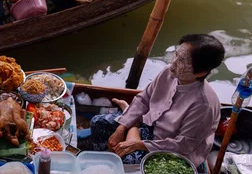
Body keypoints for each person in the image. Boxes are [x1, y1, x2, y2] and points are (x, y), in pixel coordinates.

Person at [90, 34, 225, 167]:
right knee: (98, 123)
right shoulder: (169, 72)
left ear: (200, 72)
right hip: (150, 124)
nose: (173, 62)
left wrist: (138, 144)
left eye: (182, 60)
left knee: (128, 161)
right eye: (176, 54)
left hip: (173, 150)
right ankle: (105, 158)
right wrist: (121, 128)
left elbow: (182, 145)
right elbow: (144, 99)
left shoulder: (204, 105)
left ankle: (132, 127)